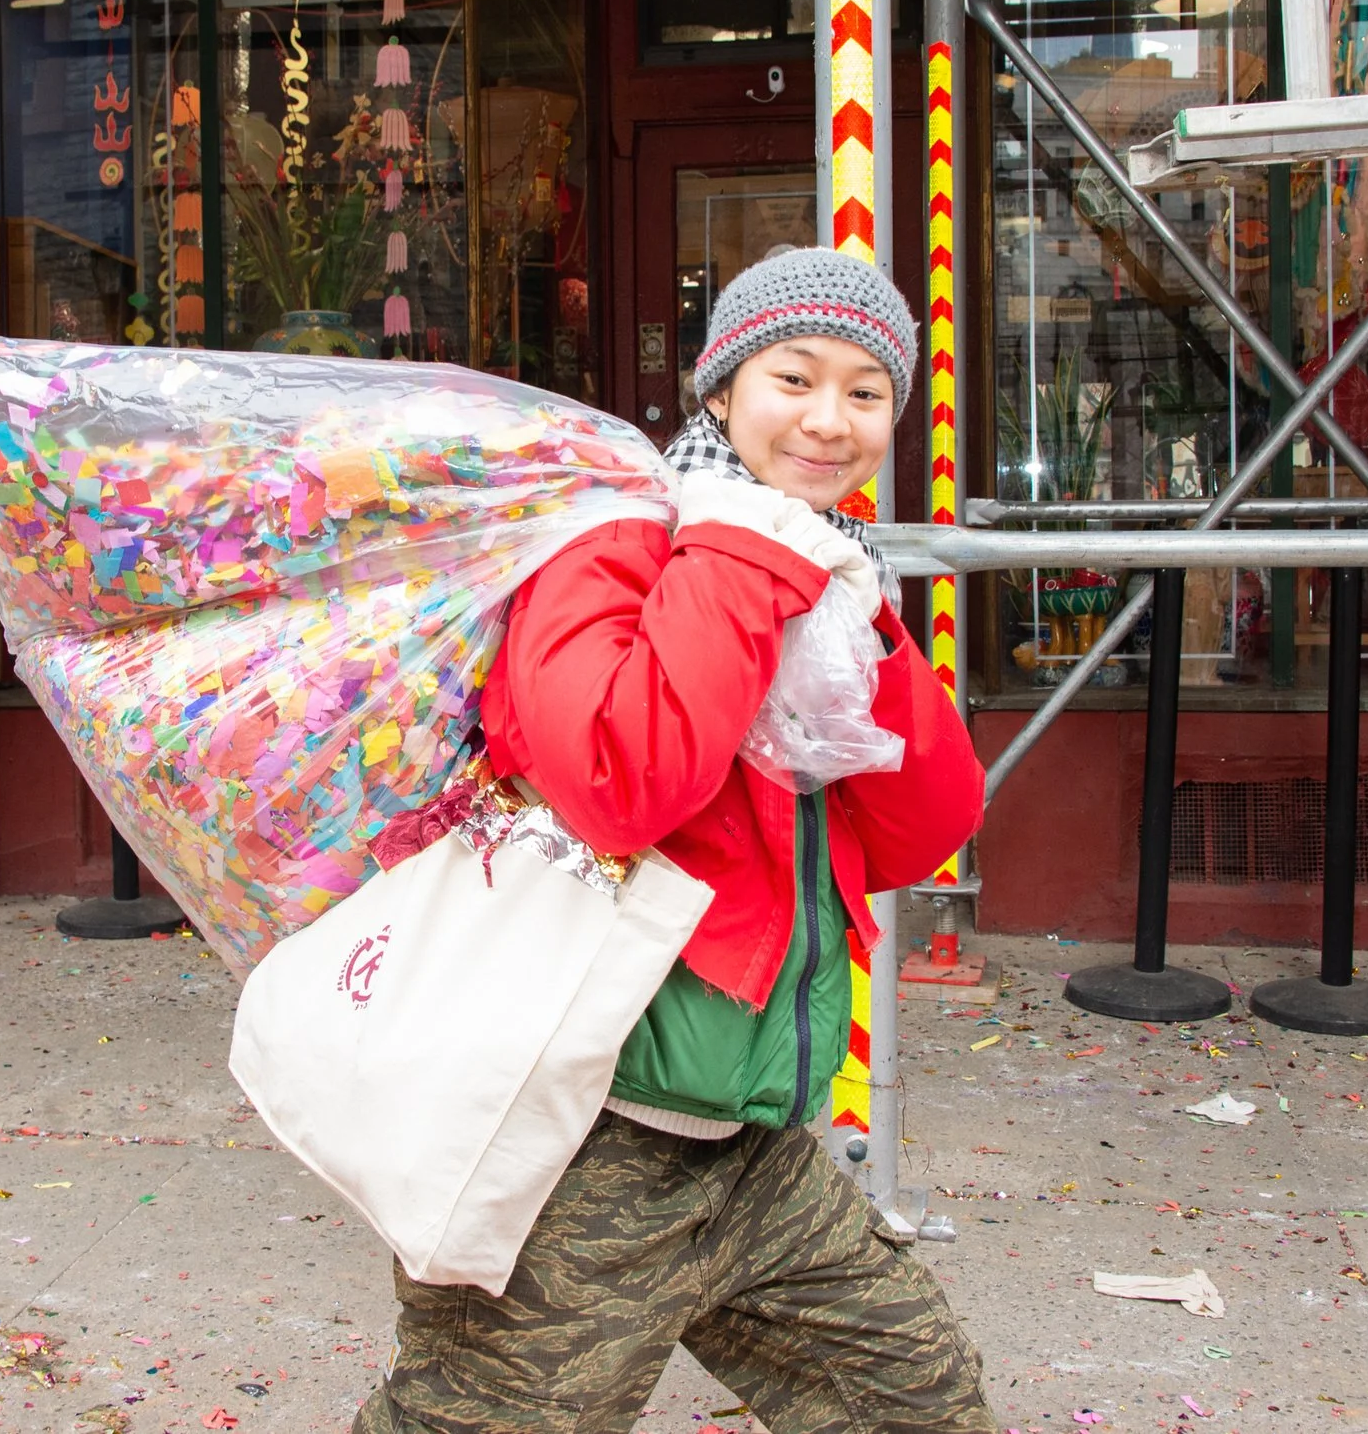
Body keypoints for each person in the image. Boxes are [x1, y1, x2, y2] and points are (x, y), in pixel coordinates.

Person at [356, 248, 992, 1434]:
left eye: (866, 392)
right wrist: (742, 555)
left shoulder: (833, 579)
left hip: (756, 1149)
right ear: (719, 391)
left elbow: (924, 827)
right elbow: (619, 781)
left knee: (918, 1404)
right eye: (793, 378)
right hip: (582, 1153)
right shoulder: (611, 548)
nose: (828, 418)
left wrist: (854, 618)